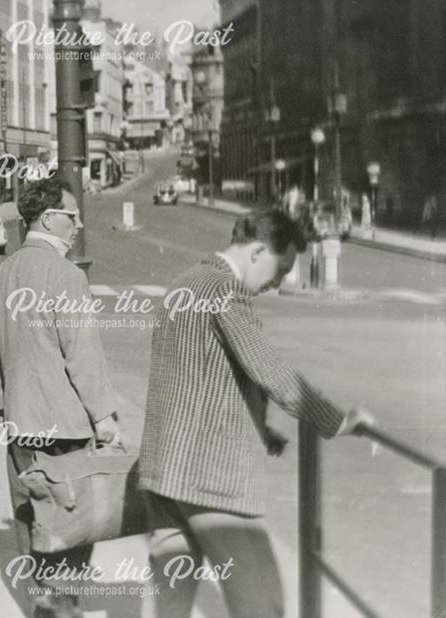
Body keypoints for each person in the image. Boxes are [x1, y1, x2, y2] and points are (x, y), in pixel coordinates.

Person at [138, 210, 375, 618]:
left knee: (170, 603)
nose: (277, 283)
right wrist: (336, 421)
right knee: (262, 604)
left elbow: (198, 374)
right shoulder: (225, 292)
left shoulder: (184, 282)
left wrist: (259, 427)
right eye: (278, 270)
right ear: (259, 250)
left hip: (164, 469)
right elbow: (271, 370)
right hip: (209, 477)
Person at [0, 176, 126, 618]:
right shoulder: (67, 276)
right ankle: (62, 607)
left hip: (20, 425)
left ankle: (43, 602)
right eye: (72, 217)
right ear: (48, 218)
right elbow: (82, 353)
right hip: (68, 427)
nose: (78, 225)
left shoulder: (0, 275)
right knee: (74, 522)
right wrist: (104, 415)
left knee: (29, 515)